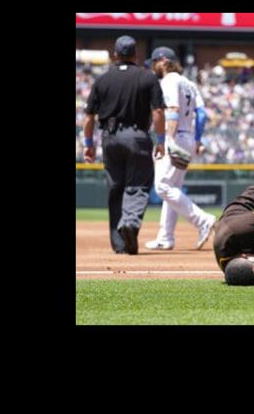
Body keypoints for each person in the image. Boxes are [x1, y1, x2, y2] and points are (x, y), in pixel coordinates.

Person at [82, 36, 166, 255]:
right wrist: (161, 141)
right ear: (135, 56)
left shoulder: (102, 79)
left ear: (115, 55)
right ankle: (129, 223)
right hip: (137, 135)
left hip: (109, 138)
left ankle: (120, 244)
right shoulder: (147, 77)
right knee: (137, 186)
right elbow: (157, 112)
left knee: (115, 188)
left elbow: (89, 116)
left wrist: (89, 144)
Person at [142, 47, 217, 251]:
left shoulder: (169, 81)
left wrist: (170, 138)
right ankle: (166, 237)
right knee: (172, 187)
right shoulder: (190, 83)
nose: (152, 66)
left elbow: (172, 109)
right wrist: (198, 140)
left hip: (173, 135)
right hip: (189, 137)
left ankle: (202, 220)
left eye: (155, 62)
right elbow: (201, 115)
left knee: (163, 187)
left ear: (164, 61)